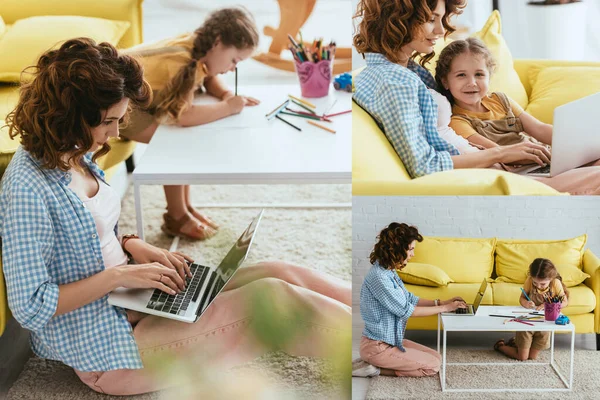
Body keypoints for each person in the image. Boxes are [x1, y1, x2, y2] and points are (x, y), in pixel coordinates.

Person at [0, 38, 351, 396]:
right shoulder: (27, 189)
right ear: (69, 116)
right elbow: (31, 305)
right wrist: (119, 274)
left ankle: (390, 316)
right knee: (272, 297)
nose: (117, 134)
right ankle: (373, 344)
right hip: (110, 350)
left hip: (136, 300)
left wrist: (134, 246)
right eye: (109, 122)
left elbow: (88, 233)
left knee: (280, 271)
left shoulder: (73, 149)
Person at [352, 0, 600, 194]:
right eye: (430, 20)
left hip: (491, 168)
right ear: (398, 20)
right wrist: (502, 154)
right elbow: (423, 165)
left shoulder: (404, 71)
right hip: (480, 178)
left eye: (441, 19)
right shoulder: (396, 83)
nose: (440, 30)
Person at [120, 7, 261, 240]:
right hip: (120, 103)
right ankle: (176, 216)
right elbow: (184, 116)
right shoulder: (182, 62)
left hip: (137, 97)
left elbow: (209, 76)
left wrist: (226, 95)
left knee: (179, 140)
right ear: (217, 43)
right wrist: (228, 108)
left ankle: (184, 208)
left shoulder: (197, 45)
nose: (233, 68)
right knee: (175, 143)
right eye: (234, 60)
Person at [352, 223, 467, 378]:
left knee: (437, 358)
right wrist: (446, 308)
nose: (413, 254)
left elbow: (409, 299)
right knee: (432, 366)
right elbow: (408, 311)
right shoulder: (379, 278)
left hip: (392, 341)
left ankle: (376, 363)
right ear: (398, 249)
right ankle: (374, 370)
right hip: (378, 347)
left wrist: (442, 302)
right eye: (411, 249)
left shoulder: (388, 270)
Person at [437, 38, 552, 150]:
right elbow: (500, 153)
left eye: (479, 74)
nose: (472, 83)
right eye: (461, 75)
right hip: (523, 163)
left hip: (543, 154)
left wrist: (565, 140)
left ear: (489, 77)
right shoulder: (456, 121)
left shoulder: (501, 100)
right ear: (445, 82)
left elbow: (539, 129)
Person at [494, 258, 568, 361]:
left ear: (550, 278)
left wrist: (549, 305)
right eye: (535, 282)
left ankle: (515, 343)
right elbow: (522, 298)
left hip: (544, 322)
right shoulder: (529, 281)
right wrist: (526, 303)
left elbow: (564, 301)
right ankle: (500, 346)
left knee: (532, 357)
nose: (538, 286)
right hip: (527, 321)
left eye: (543, 284)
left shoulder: (555, 283)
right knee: (523, 357)